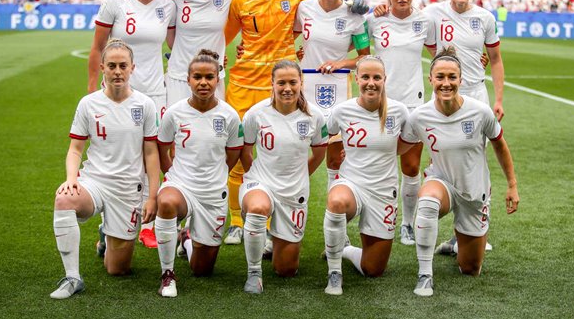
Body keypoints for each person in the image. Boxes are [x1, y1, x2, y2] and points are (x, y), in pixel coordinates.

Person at [399, 47, 519, 297]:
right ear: (430, 79)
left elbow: (499, 144)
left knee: (471, 268)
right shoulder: (419, 116)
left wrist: (512, 185)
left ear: (461, 80)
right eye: (440, 77)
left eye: (452, 77)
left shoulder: (480, 111)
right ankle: (425, 275)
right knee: (429, 201)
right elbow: (400, 146)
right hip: (441, 183)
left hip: (474, 191)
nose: (446, 83)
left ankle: (455, 245)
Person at [51, 39, 159, 299]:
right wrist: (71, 179)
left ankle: (105, 235)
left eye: (123, 65)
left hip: (128, 188)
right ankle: (72, 277)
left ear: (133, 67)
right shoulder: (88, 103)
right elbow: (75, 149)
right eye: (112, 65)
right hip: (95, 182)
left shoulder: (144, 105)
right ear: (102, 68)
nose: (118, 71)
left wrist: (152, 196)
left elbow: (151, 153)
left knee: (117, 269)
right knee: (64, 199)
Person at [222, 0, 310, 246]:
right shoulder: (241, 0)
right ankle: (235, 220)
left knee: (277, 156)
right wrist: (221, 56)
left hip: (280, 90)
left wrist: (299, 42)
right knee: (236, 154)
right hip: (243, 85)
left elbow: (316, 20)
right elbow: (223, 37)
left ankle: (272, 221)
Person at [88, 0, 176, 249]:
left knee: (152, 155)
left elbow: (180, 45)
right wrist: (90, 94)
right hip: (117, 93)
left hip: (155, 93)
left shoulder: (168, 5)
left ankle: (146, 224)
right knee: (119, 155)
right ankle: (107, 226)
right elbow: (98, 49)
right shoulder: (115, 1)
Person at [423, 0, 505, 254]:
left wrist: (497, 100)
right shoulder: (433, 12)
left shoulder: (484, 17)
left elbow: (495, 59)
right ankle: (446, 230)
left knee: (476, 165)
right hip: (444, 97)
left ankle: (473, 230)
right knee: (441, 162)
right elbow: (432, 51)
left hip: (476, 97)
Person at [154, 50, 243, 298]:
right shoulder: (174, 113)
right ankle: (167, 274)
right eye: (197, 77)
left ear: (217, 79)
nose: (203, 83)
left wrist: (216, 172)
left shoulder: (229, 116)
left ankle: (186, 238)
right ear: (188, 79)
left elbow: (233, 153)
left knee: (202, 270)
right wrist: (170, 174)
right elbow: (163, 146)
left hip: (213, 193)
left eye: (209, 77)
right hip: (181, 185)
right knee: (167, 202)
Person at [322, 56, 409, 295]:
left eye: (376, 77)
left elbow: (410, 142)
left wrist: (389, 153)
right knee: (337, 202)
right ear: (356, 78)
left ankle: (345, 249)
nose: (371, 83)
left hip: (383, 191)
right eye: (366, 77)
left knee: (373, 269)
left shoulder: (399, 111)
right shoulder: (341, 111)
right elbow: (325, 138)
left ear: (384, 80)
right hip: (352, 183)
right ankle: (334, 272)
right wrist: (333, 172)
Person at [239, 60, 328, 294]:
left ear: (301, 83)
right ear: (272, 83)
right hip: (261, 183)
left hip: (293, 192)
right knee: (258, 207)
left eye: (292, 82)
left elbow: (320, 152)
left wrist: (301, 176)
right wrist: (254, 177)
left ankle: (273, 241)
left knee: (286, 269)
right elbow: (245, 151)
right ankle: (254, 273)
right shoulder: (256, 114)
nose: (287, 88)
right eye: (281, 82)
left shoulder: (314, 117)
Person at [366, 0, 436, 246]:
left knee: (410, 165)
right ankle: (375, 219)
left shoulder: (425, 21)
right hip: (379, 104)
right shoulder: (375, 20)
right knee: (377, 164)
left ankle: (407, 223)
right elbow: (350, 45)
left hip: (413, 103)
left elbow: (439, 53)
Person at [294, 0, 371, 193]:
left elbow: (364, 58)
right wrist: (299, 52)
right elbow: (287, 37)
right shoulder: (304, 8)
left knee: (335, 156)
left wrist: (340, 63)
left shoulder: (354, 16)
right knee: (297, 148)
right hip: (304, 89)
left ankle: (333, 206)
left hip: (337, 90)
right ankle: (292, 190)